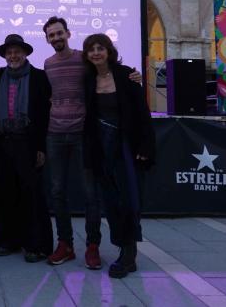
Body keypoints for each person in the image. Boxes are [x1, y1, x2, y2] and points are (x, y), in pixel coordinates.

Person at [42, 16, 140, 269]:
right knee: (57, 191)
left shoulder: (83, 59)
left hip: (83, 134)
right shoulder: (48, 64)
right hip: (55, 133)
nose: (56, 38)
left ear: (68, 33)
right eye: (51, 35)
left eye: (59, 33)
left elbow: (108, 72)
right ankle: (65, 244)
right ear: (47, 39)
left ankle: (92, 246)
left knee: (90, 193)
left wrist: (132, 75)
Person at [82, 33, 155, 279]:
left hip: (125, 148)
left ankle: (129, 255)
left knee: (128, 200)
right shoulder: (88, 79)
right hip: (101, 149)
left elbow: (142, 114)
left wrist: (145, 146)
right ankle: (123, 249)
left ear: (109, 51)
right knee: (111, 202)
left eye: (100, 48)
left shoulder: (127, 75)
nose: (96, 53)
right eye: (91, 49)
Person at [0, 34, 53, 263]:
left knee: (32, 195)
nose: (13, 56)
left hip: (28, 143)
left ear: (25, 53)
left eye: (17, 51)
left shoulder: (39, 77)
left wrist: (40, 147)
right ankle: (7, 241)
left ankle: (35, 245)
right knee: (5, 193)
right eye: (9, 52)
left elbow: (43, 114)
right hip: (3, 142)